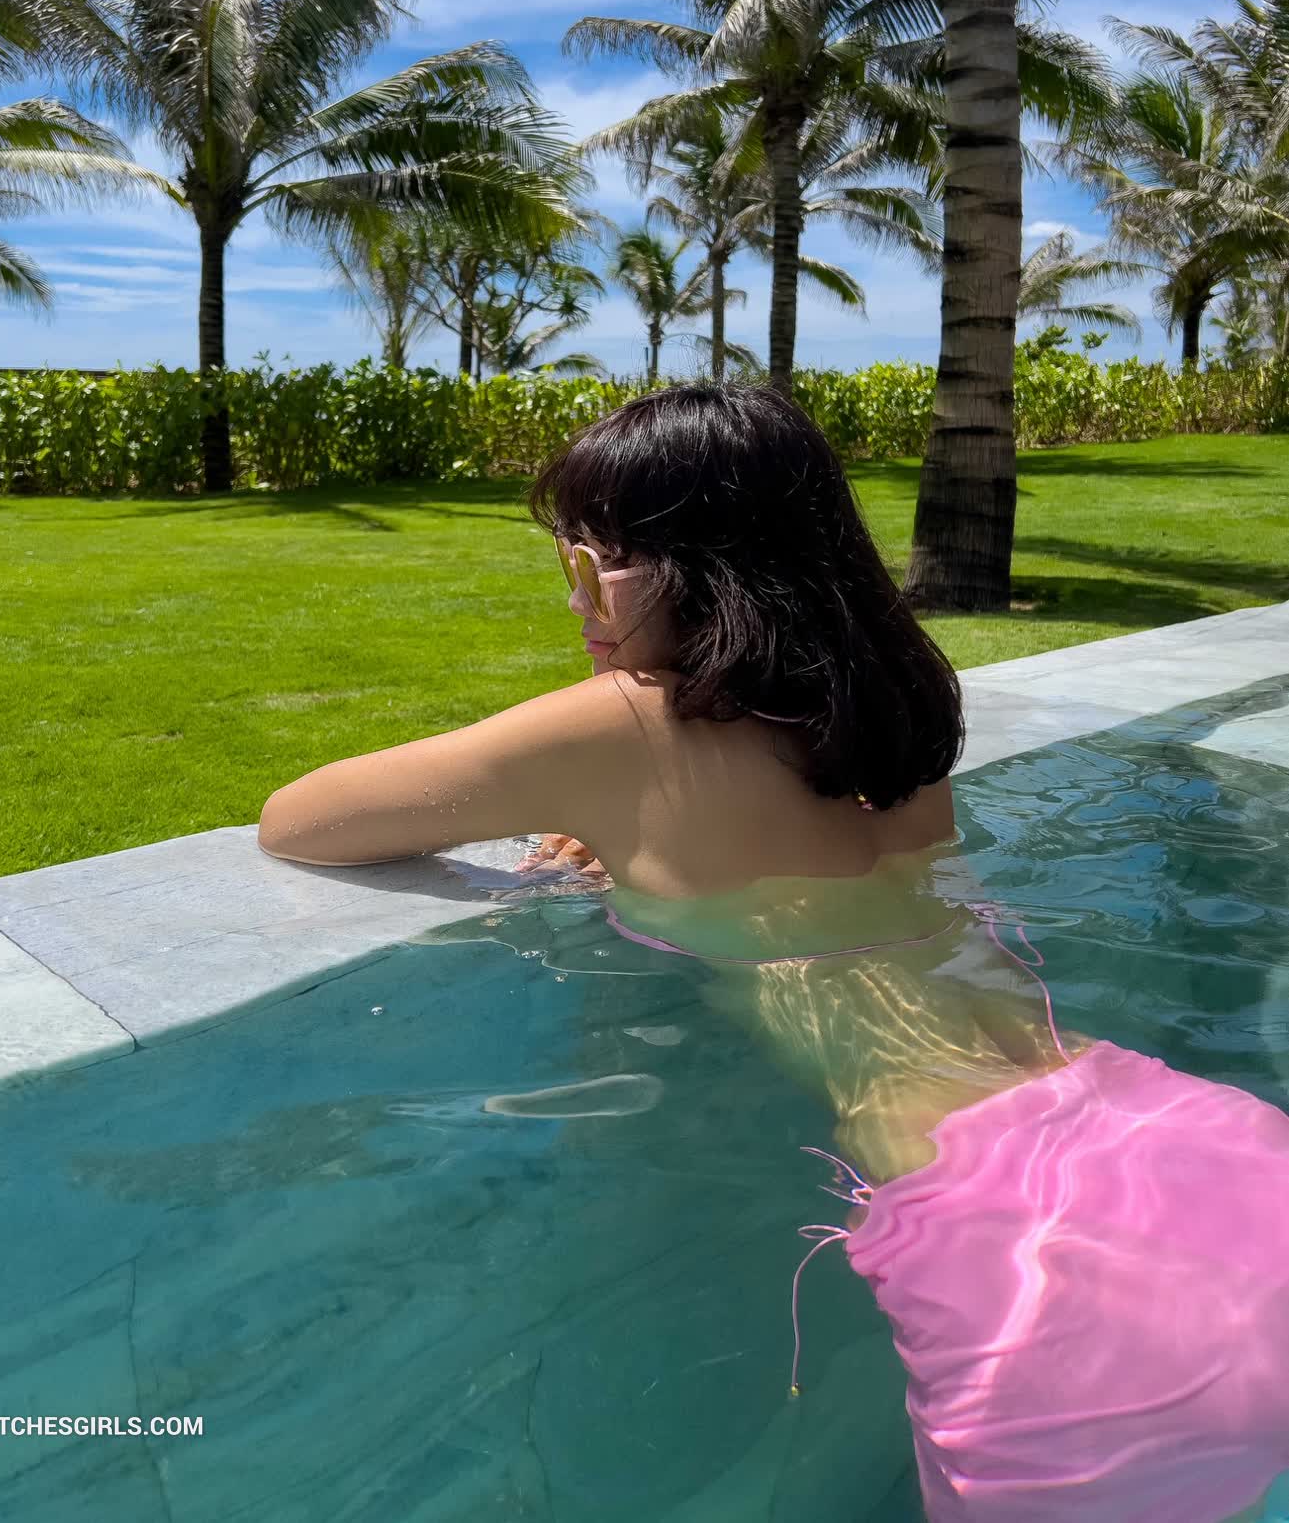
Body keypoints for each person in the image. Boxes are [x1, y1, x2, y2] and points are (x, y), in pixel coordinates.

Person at [259, 384, 1289, 1523]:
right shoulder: (896, 711)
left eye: (596, 562)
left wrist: (593, 772)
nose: (577, 597)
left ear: (707, 571)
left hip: (1008, 1234)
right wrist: (617, 807)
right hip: (1189, 1140)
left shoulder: (621, 724)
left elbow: (299, 820)